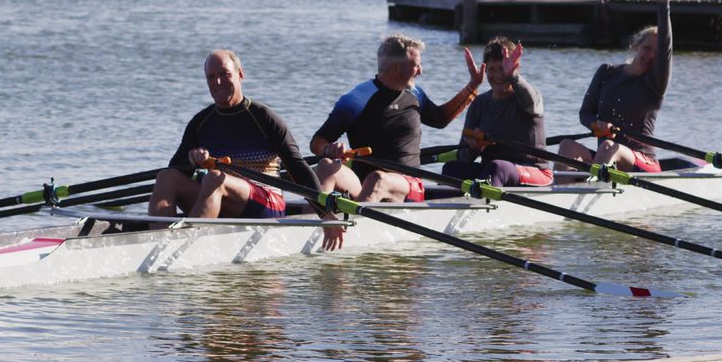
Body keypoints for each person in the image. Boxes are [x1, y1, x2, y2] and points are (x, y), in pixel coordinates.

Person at [148, 50, 340, 246]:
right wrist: (192, 158)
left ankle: (185, 247)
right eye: (212, 77)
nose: (218, 82)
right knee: (166, 177)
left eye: (225, 74)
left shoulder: (264, 118)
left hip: (266, 203)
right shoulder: (200, 122)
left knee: (215, 177)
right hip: (219, 198)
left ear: (240, 75)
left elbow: (297, 168)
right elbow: (177, 171)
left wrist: (325, 213)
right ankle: (155, 243)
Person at [310, 33, 484, 204]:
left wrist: (472, 86)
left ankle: (346, 227)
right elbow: (317, 142)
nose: (420, 72)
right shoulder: (356, 99)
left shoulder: (415, 94)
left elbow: (440, 119)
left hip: (409, 184)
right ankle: (325, 221)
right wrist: (328, 149)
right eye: (416, 66)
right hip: (362, 185)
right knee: (325, 166)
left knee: (377, 179)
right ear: (395, 69)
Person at [557, 0, 673, 179]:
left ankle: (590, 190)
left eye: (656, 53)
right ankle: (559, 194)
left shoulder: (655, 84)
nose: (650, 55)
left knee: (610, 146)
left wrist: (663, 6)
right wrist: (596, 125)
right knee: (567, 146)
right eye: (647, 48)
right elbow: (585, 113)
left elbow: (665, 49)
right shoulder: (606, 72)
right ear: (636, 46)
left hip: (641, 162)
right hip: (606, 158)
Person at [441, 37, 553, 187]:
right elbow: (463, 157)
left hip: (535, 171)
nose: (498, 76)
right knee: (451, 169)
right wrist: (473, 148)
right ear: (485, 70)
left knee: (498, 168)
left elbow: (532, 103)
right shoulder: (479, 103)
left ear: (515, 69)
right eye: (492, 70)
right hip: (493, 172)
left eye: (503, 69)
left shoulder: (529, 97)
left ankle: (483, 206)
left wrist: (513, 77)